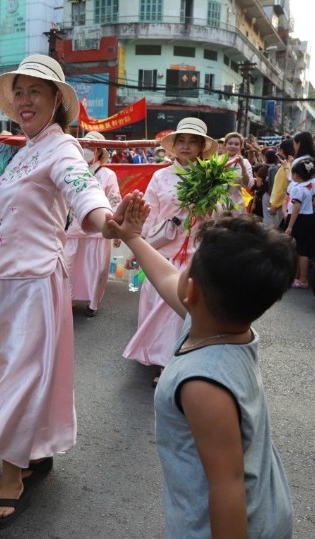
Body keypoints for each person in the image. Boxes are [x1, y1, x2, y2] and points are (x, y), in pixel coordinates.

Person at [0, 54, 117, 531]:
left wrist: (110, 223)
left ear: (58, 101)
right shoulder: (19, 150)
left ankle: (13, 477)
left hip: (32, 285)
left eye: (37, 90)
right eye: (20, 91)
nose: (25, 99)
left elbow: (83, 193)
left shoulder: (62, 149)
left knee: (17, 380)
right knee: (3, 377)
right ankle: (33, 451)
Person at [115, 195, 295, 538]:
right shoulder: (222, 326)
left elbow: (228, 486)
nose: (179, 272)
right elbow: (168, 279)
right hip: (264, 508)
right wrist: (132, 237)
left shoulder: (203, 385)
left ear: (193, 290)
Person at [122, 117, 217, 387]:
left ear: (201, 147)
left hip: (195, 253)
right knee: (158, 304)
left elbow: (225, 214)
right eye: (182, 141)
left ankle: (173, 362)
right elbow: (149, 214)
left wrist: (208, 211)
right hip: (162, 252)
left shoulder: (211, 177)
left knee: (178, 310)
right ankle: (161, 354)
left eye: (192, 142)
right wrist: (138, 246)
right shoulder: (160, 176)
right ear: (174, 146)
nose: (186, 146)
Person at [65, 131, 122, 317]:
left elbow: (115, 201)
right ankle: (69, 299)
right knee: (69, 265)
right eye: (84, 147)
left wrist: (116, 229)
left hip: (98, 231)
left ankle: (93, 303)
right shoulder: (71, 170)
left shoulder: (108, 174)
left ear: (98, 151)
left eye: (90, 147)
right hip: (72, 228)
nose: (86, 151)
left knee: (97, 268)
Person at [284, 159, 315, 288]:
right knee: (301, 249)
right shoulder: (307, 187)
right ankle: (299, 277)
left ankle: (303, 278)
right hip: (308, 218)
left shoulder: (297, 189)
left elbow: (296, 208)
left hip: (300, 219)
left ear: (296, 175)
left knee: (301, 250)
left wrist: (289, 226)